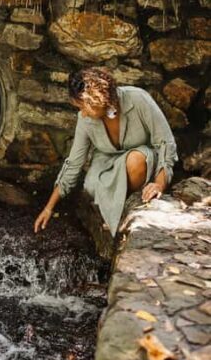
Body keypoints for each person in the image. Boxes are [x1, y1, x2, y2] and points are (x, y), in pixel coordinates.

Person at [33, 67, 178, 236]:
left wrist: (159, 183)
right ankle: (114, 209)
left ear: (97, 100)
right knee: (91, 184)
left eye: (83, 107)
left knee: (136, 160)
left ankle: (126, 208)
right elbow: (73, 163)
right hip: (105, 167)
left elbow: (165, 142)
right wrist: (49, 208)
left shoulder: (138, 99)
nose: (82, 114)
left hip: (141, 161)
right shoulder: (85, 120)